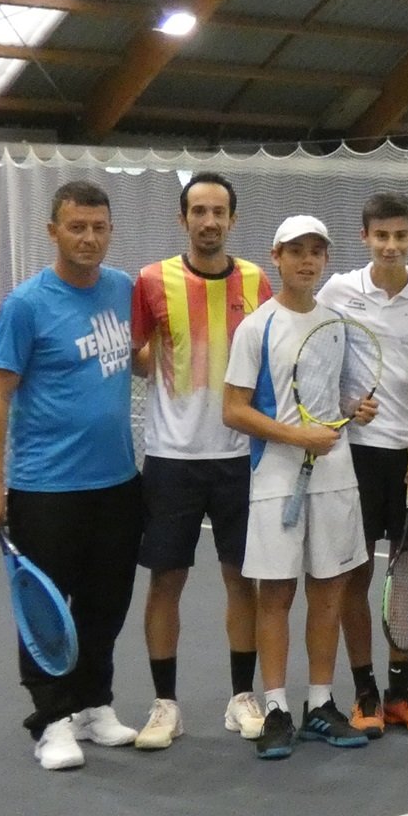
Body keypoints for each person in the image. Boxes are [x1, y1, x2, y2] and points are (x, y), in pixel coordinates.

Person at [0, 180, 144, 770]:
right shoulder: (26, 305)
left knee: (106, 603)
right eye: (77, 227)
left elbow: (139, 359)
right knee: (48, 610)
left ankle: (94, 704)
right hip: (47, 488)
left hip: (119, 483)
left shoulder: (123, 290)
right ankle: (51, 721)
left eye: (98, 227)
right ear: (54, 231)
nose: (89, 237)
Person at [223, 216, 377, 761]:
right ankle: (276, 709)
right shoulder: (255, 327)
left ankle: (318, 703)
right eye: (296, 252)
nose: (307, 261)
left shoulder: (336, 323)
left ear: (325, 260)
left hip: (334, 475)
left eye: (316, 252)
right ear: (276, 256)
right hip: (275, 477)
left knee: (330, 589)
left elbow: (336, 401)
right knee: (277, 595)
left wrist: (352, 412)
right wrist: (296, 436)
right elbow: (234, 409)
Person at [128, 172, 271, 750]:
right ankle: (166, 706)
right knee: (168, 580)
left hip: (241, 459)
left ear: (233, 220)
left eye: (219, 212)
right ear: (182, 218)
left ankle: (243, 697)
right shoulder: (150, 281)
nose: (209, 221)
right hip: (171, 458)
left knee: (244, 580)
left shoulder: (259, 281)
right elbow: (137, 358)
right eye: (198, 211)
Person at [316, 193, 408, 736]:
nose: (390, 245)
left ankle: (400, 688)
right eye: (381, 236)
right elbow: (317, 359)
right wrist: (346, 408)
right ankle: (365, 689)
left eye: (400, 236)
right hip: (353, 457)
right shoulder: (338, 291)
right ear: (364, 237)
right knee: (356, 572)